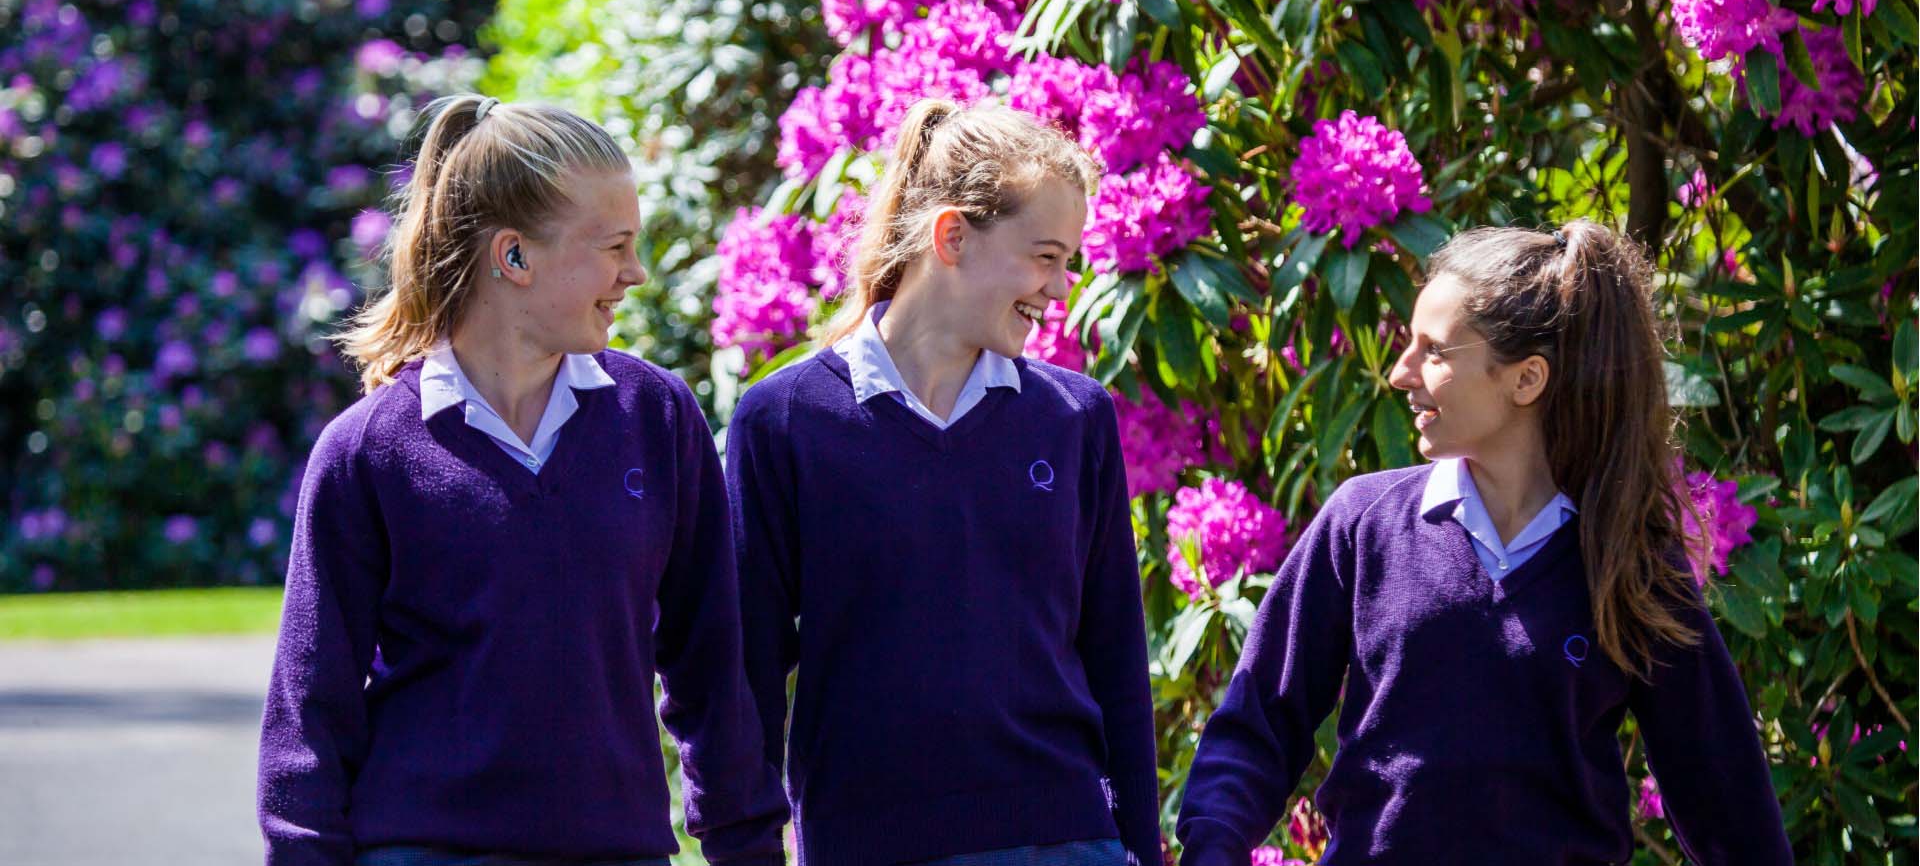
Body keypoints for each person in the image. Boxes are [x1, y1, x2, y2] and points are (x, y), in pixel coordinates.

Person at [257, 95, 786, 866]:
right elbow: (310, 712)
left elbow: (711, 665)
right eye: (614, 247)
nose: (634, 274)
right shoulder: (365, 452)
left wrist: (748, 849)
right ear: (514, 257)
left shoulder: (657, 417)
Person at [1174, 220, 1792, 865]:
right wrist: (1212, 846)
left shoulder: (1627, 559)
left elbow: (1724, 796)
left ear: (1526, 380)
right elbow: (1260, 722)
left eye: (1434, 351)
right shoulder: (1363, 524)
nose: (1399, 373)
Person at [725, 99, 1160, 866]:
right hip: (866, 845)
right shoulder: (784, 420)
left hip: (1065, 842)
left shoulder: (1074, 417)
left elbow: (1116, 656)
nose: (1061, 289)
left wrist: (1140, 848)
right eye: (1045, 256)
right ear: (952, 235)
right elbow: (748, 667)